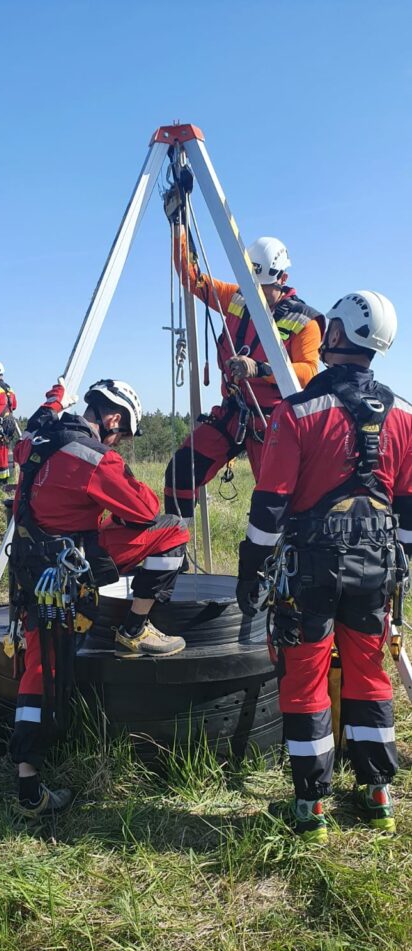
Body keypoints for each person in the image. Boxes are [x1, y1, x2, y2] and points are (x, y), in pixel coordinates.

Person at [236, 290, 411, 843]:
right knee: (369, 674)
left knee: (307, 678)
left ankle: (311, 805)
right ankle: (378, 790)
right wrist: (399, 570)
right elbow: (407, 509)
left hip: (311, 570)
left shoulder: (299, 412)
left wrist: (250, 567)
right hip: (377, 570)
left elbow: (270, 503)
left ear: (335, 336)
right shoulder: (405, 415)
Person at [9, 375, 190, 817]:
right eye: (123, 434)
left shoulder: (38, 435)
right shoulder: (94, 458)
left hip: (31, 568)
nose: (122, 443)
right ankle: (134, 627)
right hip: (71, 569)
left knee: (38, 667)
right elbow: (146, 510)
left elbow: (45, 411)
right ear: (112, 419)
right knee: (172, 530)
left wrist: (55, 394)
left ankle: (26, 779)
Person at [163, 212, 325, 515]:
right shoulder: (237, 297)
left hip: (275, 422)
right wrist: (179, 228)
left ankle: (274, 559)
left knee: (276, 504)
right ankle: (172, 547)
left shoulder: (304, 321)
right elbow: (191, 276)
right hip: (234, 413)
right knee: (180, 472)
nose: (257, 295)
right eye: (253, 285)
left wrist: (261, 369)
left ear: (283, 279)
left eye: (264, 288)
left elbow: (307, 373)